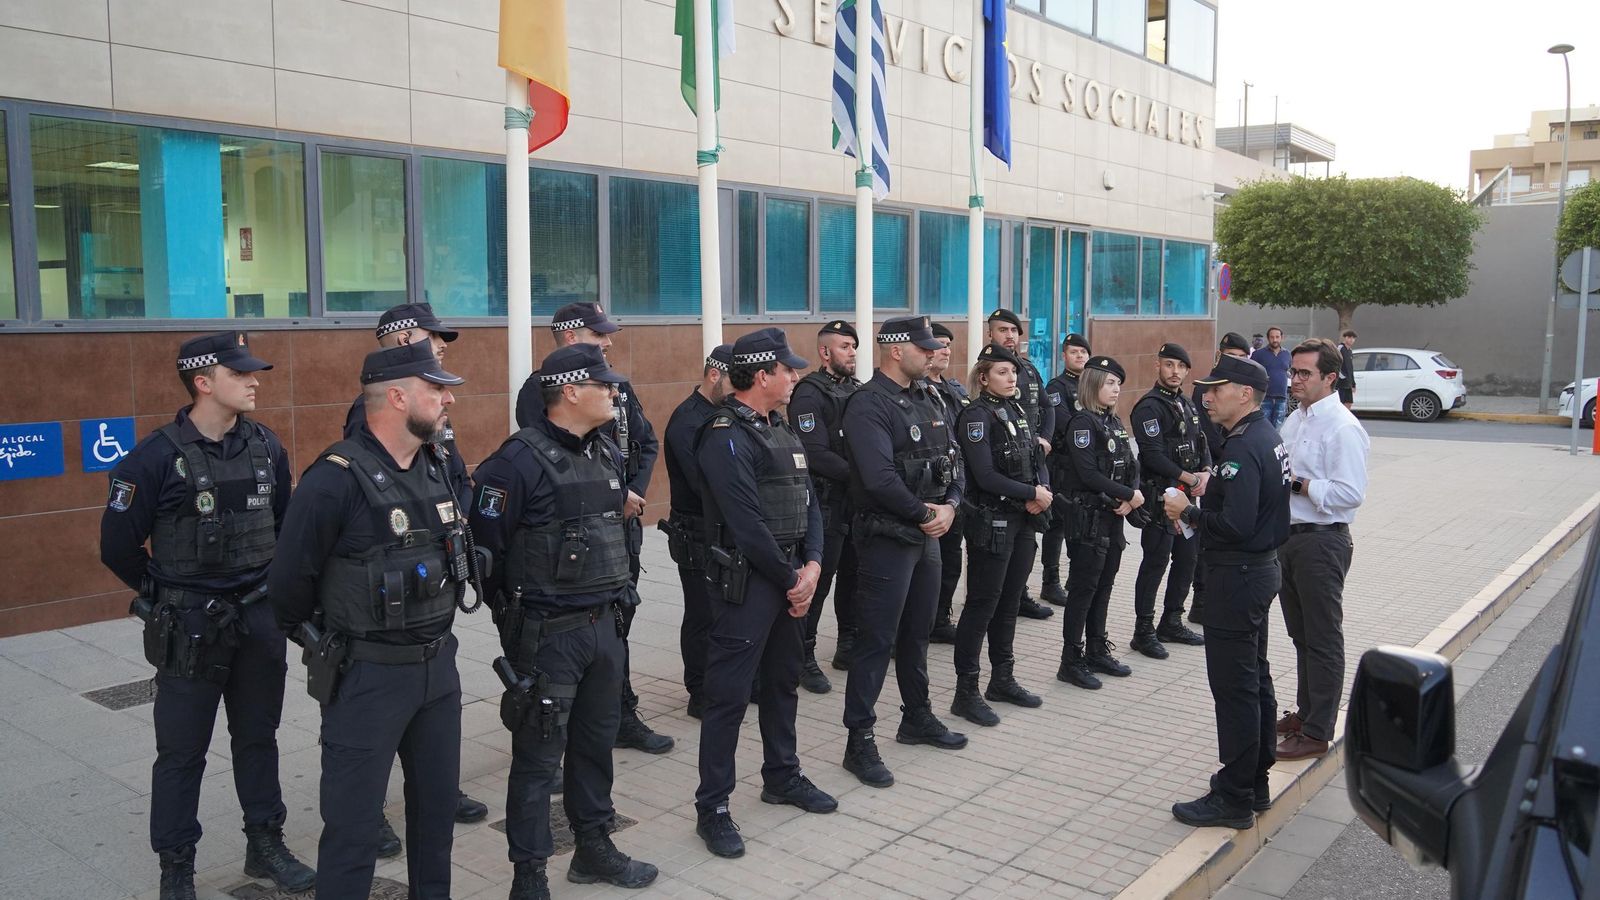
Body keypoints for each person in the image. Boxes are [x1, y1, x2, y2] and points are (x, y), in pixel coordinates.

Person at [101, 332, 312, 900]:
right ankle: (177, 868)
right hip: (190, 627)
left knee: (258, 736)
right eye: (239, 373)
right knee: (182, 751)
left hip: (258, 620)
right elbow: (117, 547)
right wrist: (168, 595)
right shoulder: (153, 457)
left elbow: (285, 526)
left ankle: (265, 844)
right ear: (203, 382)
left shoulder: (266, 446)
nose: (254, 381)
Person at [269, 340, 469, 899]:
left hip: (437, 671)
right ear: (398, 397)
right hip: (366, 678)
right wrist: (333, 640)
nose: (448, 399)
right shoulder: (333, 478)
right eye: (436, 389)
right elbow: (287, 588)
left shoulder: (437, 466)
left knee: (435, 820)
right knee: (353, 830)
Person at [470, 343, 660, 900]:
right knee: (537, 760)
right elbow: (487, 555)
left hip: (605, 626)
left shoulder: (605, 451)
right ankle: (528, 875)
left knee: (595, 748)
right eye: (605, 385)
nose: (615, 393)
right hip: (548, 635)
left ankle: (593, 848)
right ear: (571, 392)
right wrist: (520, 622)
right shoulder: (514, 463)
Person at [343, 302, 488, 849]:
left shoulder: (432, 404)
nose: (442, 345)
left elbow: (453, 475)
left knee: (430, 714)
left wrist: (456, 522)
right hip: (390, 592)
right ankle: (373, 811)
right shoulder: (373, 412)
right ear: (403, 338)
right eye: (433, 337)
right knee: (379, 721)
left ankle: (437, 790)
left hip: (432, 577)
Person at [693, 328, 837, 859]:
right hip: (750, 583)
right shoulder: (724, 434)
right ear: (761, 376)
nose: (795, 377)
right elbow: (746, 523)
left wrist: (813, 564)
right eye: (787, 370)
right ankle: (713, 807)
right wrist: (793, 579)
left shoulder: (779, 426)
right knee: (728, 697)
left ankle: (782, 775)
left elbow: (809, 500)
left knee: (783, 683)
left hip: (790, 576)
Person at [514, 301, 670, 755]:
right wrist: (610, 495)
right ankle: (555, 733)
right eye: (598, 334)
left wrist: (630, 492)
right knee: (570, 641)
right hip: (574, 540)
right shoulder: (540, 389)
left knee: (617, 623)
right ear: (569, 336)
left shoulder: (616, 384)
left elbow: (645, 441)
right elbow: (556, 460)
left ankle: (619, 714)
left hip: (620, 527)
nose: (608, 342)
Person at [840, 315, 968, 787]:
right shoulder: (867, 403)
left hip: (925, 534)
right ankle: (859, 741)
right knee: (876, 641)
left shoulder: (927, 396)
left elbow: (954, 459)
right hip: (888, 539)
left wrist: (951, 505)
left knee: (917, 634)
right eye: (924, 348)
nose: (933, 354)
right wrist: (925, 514)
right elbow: (878, 479)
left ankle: (917, 716)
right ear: (896, 350)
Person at [1163, 354, 1290, 829]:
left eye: (1217, 389)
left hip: (1237, 576)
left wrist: (1187, 512)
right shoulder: (1264, 435)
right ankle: (1253, 782)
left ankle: (1234, 797)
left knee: (1235, 688)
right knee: (1254, 678)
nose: (1207, 396)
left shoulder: (1243, 445)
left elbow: (1234, 524)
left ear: (1245, 394)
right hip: (1256, 571)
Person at [1275, 339, 1369, 762]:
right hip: (1289, 538)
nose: (1294, 380)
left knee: (1323, 637)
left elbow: (1350, 494)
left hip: (1322, 541)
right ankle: (1306, 713)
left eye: (1304, 373)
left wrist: (1297, 485)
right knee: (1301, 636)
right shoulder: (1295, 420)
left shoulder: (1342, 427)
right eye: (1292, 371)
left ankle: (1317, 731)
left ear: (1330, 378)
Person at [949, 343, 1051, 727]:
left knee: (1009, 603)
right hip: (992, 522)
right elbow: (985, 475)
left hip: (1022, 520)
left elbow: (1036, 459)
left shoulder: (1017, 410)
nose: (1012, 379)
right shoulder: (976, 416)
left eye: (1014, 373)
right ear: (983, 377)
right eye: (1002, 373)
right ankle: (966, 692)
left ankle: (1002, 679)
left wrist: (1041, 490)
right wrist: (1031, 493)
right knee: (982, 605)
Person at [1053, 356, 1143, 690]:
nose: (1116, 389)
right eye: (1110, 383)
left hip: (1112, 517)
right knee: (1083, 590)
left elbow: (1130, 464)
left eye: (1118, 384)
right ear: (1092, 385)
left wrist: (1129, 496)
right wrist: (1129, 495)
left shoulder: (1112, 421)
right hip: (1088, 518)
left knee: (1104, 586)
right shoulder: (1083, 423)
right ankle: (1070, 660)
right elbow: (1088, 473)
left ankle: (1096, 649)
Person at [786, 320, 861, 684]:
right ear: (825, 352)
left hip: (856, 502)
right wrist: (865, 476)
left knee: (854, 576)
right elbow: (814, 453)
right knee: (820, 580)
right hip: (826, 501)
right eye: (845, 346)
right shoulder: (808, 394)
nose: (852, 352)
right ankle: (802, 656)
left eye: (853, 346)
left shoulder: (856, 390)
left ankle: (848, 645)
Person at [661, 344, 733, 717]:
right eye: (734, 380)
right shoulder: (687, 420)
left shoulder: (725, 413)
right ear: (714, 374)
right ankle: (699, 690)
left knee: (725, 610)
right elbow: (702, 481)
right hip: (696, 531)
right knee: (702, 612)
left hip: (721, 529)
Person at [1128, 343, 1209, 659]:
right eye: (1169, 365)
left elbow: (1201, 441)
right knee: (1156, 562)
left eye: (1181, 366)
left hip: (1187, 499)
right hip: (1159, 498)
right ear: (1157, 366)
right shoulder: (1149, 407)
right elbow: (1152, 455)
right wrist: (1191, 478)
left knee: (1187, 559)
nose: (1175, 372)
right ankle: (1143, 631)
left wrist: (1206, 471)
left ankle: (1172, 621)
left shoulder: (1186, 403)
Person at [984, 308, 1058, 621]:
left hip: (1031, 461)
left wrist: (1045, 439)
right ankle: (1001, 598)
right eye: (1003, 330)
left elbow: (1047, 407)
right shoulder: (986, 370)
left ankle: (1020, 593)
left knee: (1029, 541)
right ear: (990, 334)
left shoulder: (1027, 368)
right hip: (1003, 468)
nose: (1010, 335)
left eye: (1014, 330)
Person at [1188, 332, 1252, 627]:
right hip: (1213, 470)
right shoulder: (1206, 389)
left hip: (1230, 469)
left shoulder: (1243, 388)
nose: (1237, 363)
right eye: (1231, 357)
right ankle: (1200, 601)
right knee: (1207, 539)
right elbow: (1207, 434)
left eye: (1242, 358)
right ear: (1219, 355)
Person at [925, 322, 972, 643]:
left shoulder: (954, 390)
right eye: (939, 344)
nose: (946, 350)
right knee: (927, 565)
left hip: (956, 486)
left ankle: (940, 618)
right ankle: (918, 623)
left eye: (948, 344)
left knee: (951, 561)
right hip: (929, 488)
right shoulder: (916, 390)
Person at [1040, 332, 1092, 608]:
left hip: (1084, 468)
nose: (1079, 356)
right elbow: (1064, 423)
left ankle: (1075, 580)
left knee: (1079, 524)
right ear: (1064, 356)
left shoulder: (1091, 385)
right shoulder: (1056, 387)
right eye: (1074, 352)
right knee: (1057, 525)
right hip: (1062, 465)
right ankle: (1050, 582)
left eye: (1083, 352)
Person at [1250, 327, 1291, 428]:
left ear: (1282, 338)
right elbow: (1251, 372)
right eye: (1272, 337)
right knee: (1263, 427)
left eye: (1277, 337)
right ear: (1268, 338)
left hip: (1282, 397)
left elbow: (1289, 370)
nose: (1275, 339)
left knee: (1278, 428)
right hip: (1264, 397)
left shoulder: (1287, 354)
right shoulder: (1258, 354)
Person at [1337, 330, 1358, 409]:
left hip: (1348, 383)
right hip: (1341, 383)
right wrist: (1342, 377)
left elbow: (1350, 368)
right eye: (1349, 337)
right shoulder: (1340, 348)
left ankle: (1345, 417)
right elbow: (1336, 364)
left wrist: (1353, 383)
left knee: (1348, 403)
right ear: (1345, 338)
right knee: (1340, 403)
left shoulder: (1350, 351)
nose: (1351, 339)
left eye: (1353, 338)